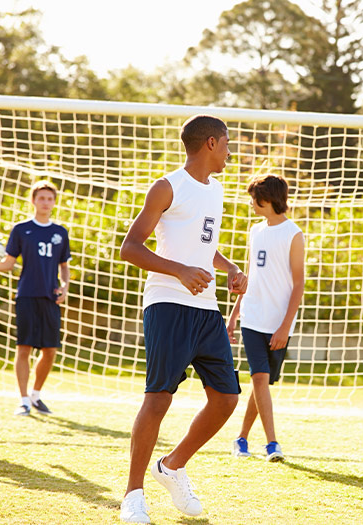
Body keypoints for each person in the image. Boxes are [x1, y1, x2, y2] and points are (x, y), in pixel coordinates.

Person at [118, 115, 247, 523]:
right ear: (210, 143)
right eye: (227, 143)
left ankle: (171, 466)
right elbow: (131, 248)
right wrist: (179, 271)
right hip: (167, 305)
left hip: (206, 309)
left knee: (226, 397)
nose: (230, 151)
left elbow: (202, 248)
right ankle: (133, 495)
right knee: (159, 398)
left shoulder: (217, 189)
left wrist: (228, 268)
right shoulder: (166, 186)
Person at [227, 173, 304, 462]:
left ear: (269, 200)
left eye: (255, 199)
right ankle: (273, 444)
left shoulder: (294, 234)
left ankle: (241, 438)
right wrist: (234, 315)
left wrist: (285, 326)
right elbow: (250, 278)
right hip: (252, 318)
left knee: (263, 383)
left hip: (279, 323)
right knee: (259, 378)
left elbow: (298, 285)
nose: (251, 203)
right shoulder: (255, 231)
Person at [0, 181, 70, 416]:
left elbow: (64, 266)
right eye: (41, 198)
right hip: (27, 295)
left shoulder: (60, 232)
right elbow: (9, 262)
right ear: (33, 201)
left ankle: (36, 395)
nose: (45, 202)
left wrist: (65, 287)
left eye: (49, 198)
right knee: (24, 348)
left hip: (50, 298)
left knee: (50, 350)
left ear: (54, 202)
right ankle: (24, 399)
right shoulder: (21, 229)